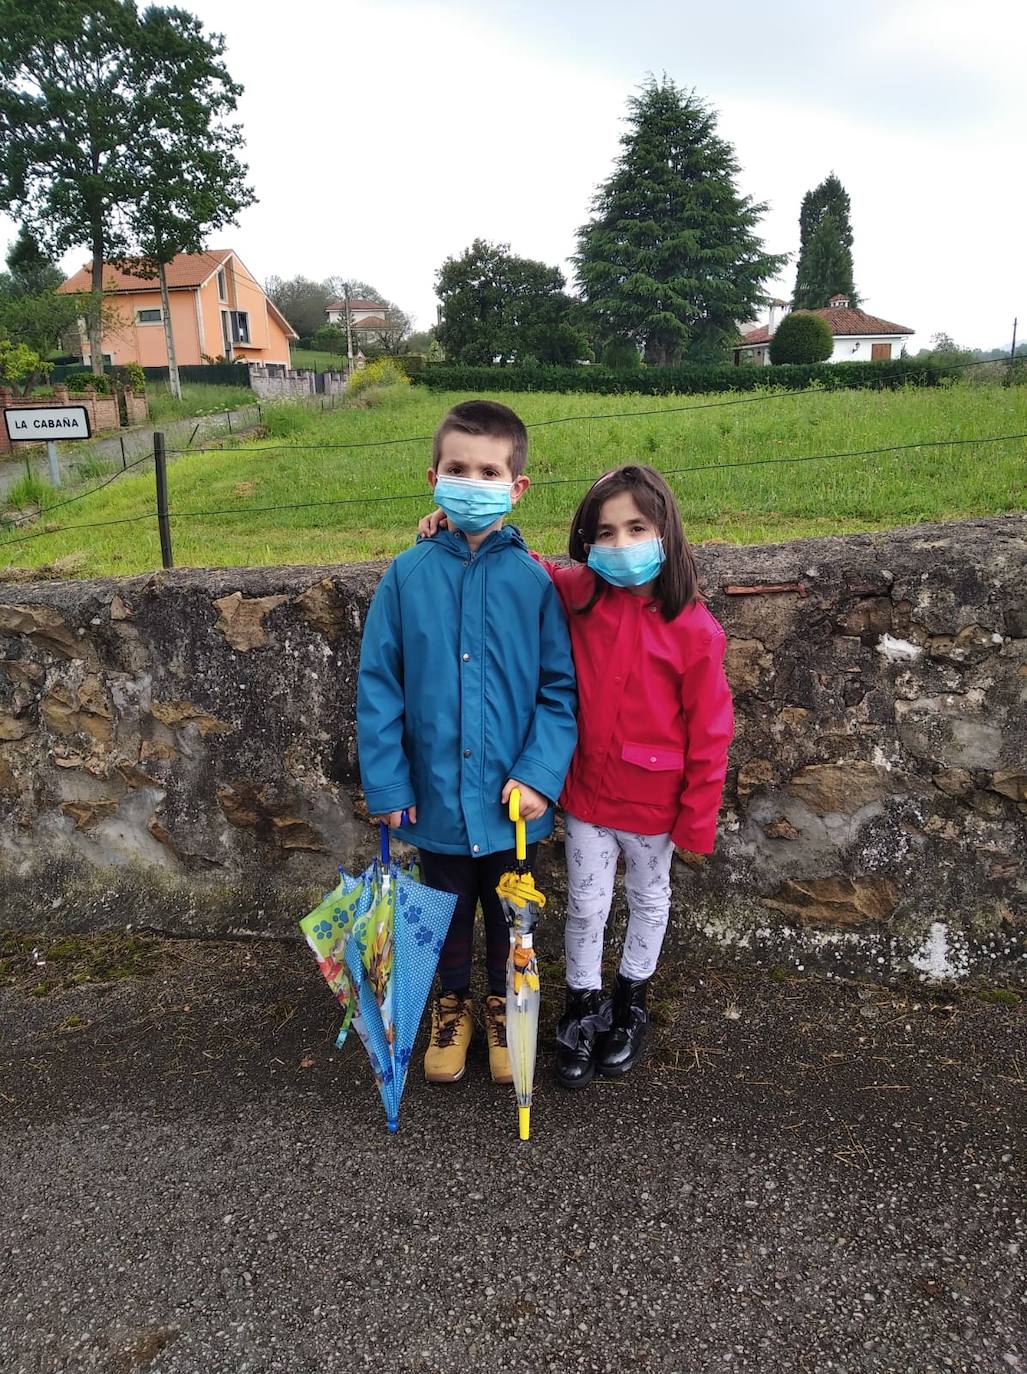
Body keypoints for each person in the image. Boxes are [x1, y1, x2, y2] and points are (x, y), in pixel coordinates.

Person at [419, 464, 733, 1089]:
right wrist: (451, 524)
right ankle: (583, 1007)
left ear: (665, 530)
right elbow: (523, 564)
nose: (620, 546)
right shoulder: (577, 593)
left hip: (656, 807)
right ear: (586, 541)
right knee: (586, 907)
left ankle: (632, 1000)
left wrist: (696, 819)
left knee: (648, 900)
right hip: (588, 797)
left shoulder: (696, 631)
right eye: (605, 532)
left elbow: (711, 734)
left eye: (636, 529)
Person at [357, 400, 578, 1088]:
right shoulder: (406, 576)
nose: (470, 480)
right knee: (444, 911)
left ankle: (503, 1003)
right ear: (433, 477)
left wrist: (540, 775)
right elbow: (379, 687)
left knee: (511, 915)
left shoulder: (535, 582)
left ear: (515, 488)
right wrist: (389, 784)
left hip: (514, 807)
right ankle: (451, 1003)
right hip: (436, 803)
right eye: (458, 468)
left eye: (487, 471)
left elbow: (558, 691)